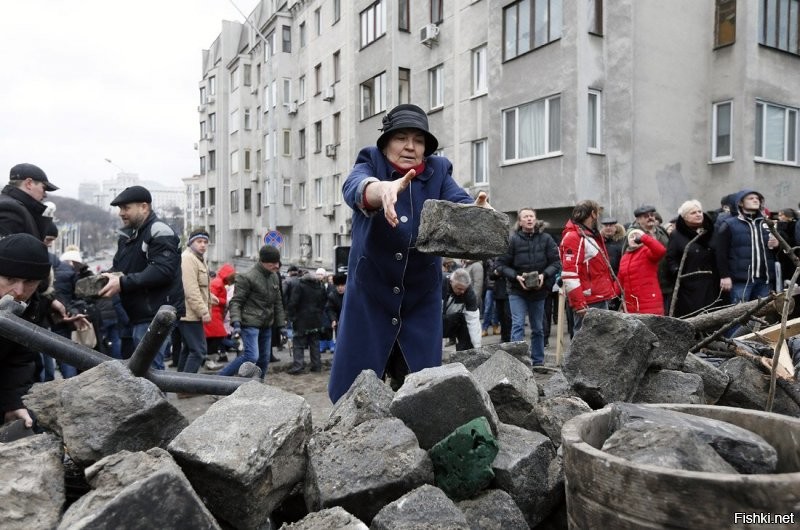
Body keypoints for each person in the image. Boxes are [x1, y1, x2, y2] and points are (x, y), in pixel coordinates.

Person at [328, 103, 490, 403]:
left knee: (421, 391)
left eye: (418, 140)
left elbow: (459, 201)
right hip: (371, 296)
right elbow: (356, 187)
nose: (410, 146)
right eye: (401, 137)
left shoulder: (438, 171)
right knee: (355, 394)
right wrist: (381, 191)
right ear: (386, 141)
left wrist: (477, 214)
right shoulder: (370, 161)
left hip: (419, 298)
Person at [98, 185, 185, 370]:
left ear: (144, 207)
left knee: (150, 372)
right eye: (120, 209)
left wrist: (121, 282)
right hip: (139, 314)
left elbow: (162, 271)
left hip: (156, 314)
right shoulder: (128, 236)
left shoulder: (159, 231)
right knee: (141, 372)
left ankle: (160, 400)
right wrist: (105, 277)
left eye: (126, 208)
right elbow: (121, 268)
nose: (121, 213)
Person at [0, 234, 62, 428]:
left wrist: (13, 403)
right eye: (10, 279)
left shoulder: (31, 307)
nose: (19, 291)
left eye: (30, 282)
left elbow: (19, 359)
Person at [497, 208, 561, 366]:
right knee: (518, 325)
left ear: (535, 219)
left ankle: (538, 361)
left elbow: (556, 263)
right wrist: (516, 276)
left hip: (539, 291)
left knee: (538, 328)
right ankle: (517, 363)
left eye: (531, 216)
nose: (529, 219)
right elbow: (500, 265)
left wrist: (543, 275)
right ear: (520, 221)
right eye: (525, 216)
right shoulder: (512, 240)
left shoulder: (546, 239)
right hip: (517, 290)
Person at [222, 245, 285, 379]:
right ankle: (219, 380)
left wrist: (281, 326)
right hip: (250, 323)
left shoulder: (274, 277)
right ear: (263, 262)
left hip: (266, 323)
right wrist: (237, 323)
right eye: (272, 263)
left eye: (277, 262)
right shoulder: (247, 277)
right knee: (251, 356)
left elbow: (278, 303)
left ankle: (258, 385)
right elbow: (236, 302)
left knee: (264, 358)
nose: (276, 266)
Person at [559, 200, 620, 332]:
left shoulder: (587, 235)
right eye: (597, 213)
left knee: (600, 340)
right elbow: (569, 274)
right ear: (593, 214)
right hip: (589, 301)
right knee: (585, 343)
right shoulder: (574, 237)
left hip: (597, 297)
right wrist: (579, 304)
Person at [714, 189, 779, 303]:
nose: (755, 200)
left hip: (765, 280)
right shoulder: (729, 224)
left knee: (762, 318)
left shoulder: (766, 223)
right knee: (739, 317)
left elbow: (776, 252)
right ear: (740, 203)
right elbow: (720, 252)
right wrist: (724, 276)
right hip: (741, 281)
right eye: (751, 198)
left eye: (757, 198)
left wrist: (777, 245)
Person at [666, 200, 720, 317]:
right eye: (693, 213)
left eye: (700, 211)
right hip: (689, 285)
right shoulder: (676, 235)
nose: (698, 214)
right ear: (684, 217)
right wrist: (677, 272)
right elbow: (671, 258)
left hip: (712, 283)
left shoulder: (711, 230)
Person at [178, 228, 216, 375]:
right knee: (199, 351)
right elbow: (190, 289)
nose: (203, 245)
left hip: (190, 312)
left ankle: (177, 384)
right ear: (191, 242)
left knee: (189, 349)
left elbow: (201, 288)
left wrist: (212, 298)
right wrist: (203, 311)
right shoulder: (188, 259)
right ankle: (185, 387)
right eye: (199, 241)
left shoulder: (198, 259)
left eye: (205, 242)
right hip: (190, 314)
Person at [626, 205, 672, 313]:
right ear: (638, 220)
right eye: (646, 216)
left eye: (652, 215)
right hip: (646, 286)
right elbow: (627, 258)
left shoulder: (661, 231)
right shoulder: (633, 235)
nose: (650, 218)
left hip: (666, 282)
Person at [0, 163, 59, 240]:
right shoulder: (10, 209)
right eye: (43, 188)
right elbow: (10, 250)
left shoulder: (19, 208)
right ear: (29, 183)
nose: (45, 195)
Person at [286, 266, 327, 374]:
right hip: (316, 319)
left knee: (298, 343)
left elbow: (293, 302)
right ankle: (316, 365)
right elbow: (323, 302)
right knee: (314, 343)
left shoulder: (299, 285)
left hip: (301, 320)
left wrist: (291, 316)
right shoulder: (320, 286)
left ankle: (298, 367)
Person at [618, 228, 667, 314]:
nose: (634, 238)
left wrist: (644, 238)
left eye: (636, 236)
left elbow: (660, 250)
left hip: (650, 303)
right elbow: (620, 280)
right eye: (631, 237)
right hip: (631, 306)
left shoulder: (647, 251)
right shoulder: (624, 257)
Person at [442, 268, 482, 351]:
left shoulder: (469, 292)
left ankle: (465, 354)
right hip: (434, 320)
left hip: (451, 320)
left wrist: (477, 347)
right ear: (451, 281)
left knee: (465, 321)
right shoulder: (440, 283)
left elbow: (473, 320)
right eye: (459, 288)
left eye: (464, 289)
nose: (463, 292)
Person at [204, 263, 236, 363]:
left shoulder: (218, 282)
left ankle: (208, 360)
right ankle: (210, 360)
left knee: (213, 339)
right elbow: (212, 298)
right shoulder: (218, 283)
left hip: (215, 314)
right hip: (214, 314)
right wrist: (225, 302)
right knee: (218, 337)